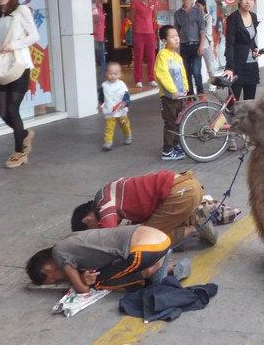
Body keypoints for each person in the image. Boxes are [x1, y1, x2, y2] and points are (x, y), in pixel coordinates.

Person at [70, 169, 216, 246]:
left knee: (146, 239)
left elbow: (107, 237)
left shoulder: (104, 204)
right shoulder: (108, 191)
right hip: (189, 184)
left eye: (91, 231)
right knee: (143, 228)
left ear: (87, 220)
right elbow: (142, 204)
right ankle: (194, 217)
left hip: (180, 194)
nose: (96, 231)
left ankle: (193, 226)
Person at [0, 0, 40, 169]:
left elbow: (34, 35)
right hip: (2, 67)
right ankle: (24, 134)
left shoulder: (21, 10)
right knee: (2, 112)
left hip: (20, 65)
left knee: (12, 109)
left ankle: (19, 152)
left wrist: (13, 45)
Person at [26, 225, 172, 292]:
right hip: (159, 239)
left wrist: (85, 282)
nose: (60, 280)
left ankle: (149, 272)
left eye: (54, 279)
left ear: (48, 268)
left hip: (143, 250)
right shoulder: (69, 241)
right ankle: (164, 266)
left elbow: (82, 289)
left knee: (98, 283)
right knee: (107, 273)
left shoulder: (59, 253)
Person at [155, 25, 188, 161]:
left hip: (180, 97)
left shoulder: (177, 56)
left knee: (178, 122)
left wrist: (185, 88)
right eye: (172, 36)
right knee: (170, 123)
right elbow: (161, 74)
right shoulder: (162, 55)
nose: (176, 39)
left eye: (177, 36)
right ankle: (167, 151)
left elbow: (183, 74)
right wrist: (173, 90)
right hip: (168, 98)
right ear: (164, 40)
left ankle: (175, 145)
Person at [223, 0, 260, 101]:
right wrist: (229, 67)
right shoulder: (233, 18)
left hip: (251, 66)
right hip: (237, 66)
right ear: (240, 0)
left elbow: (251, 39)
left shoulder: (253, 17)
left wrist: (255, 49)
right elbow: (230, 44)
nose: (248, 2)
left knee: (250, 103)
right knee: (233, 103)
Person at [173, 0, 205, 96]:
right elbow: (176, 32)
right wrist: (175, 49)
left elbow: (202, 30)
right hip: (184, 46)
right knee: (186, 72)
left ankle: (201, 93)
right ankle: (190, 94)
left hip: (196, 45)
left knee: (196, 72)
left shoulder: (198, 11)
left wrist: (201, 46)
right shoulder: (178, 14)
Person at [99, 62, 132, 150]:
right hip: (109, 110)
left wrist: (125, 103)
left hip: (121, 110)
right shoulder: (104, 85)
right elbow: (102, 96)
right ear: (107, 73)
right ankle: (108, 142)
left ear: (120, 74)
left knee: (124, 124)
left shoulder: (121, 85)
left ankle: (128, 135)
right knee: (109, 127)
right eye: (110, 74)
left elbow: (126, 95)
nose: (113, 76)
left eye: (115, 74)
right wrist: (100, 104)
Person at [131, 0, 157, 89]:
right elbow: (132, 17)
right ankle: (138, 79)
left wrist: (154, 31)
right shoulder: (135, 3)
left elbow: (154, 17)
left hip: (150, 33)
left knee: (151, 57)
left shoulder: (153, 2)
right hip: (139, 33)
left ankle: (151, 78)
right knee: (138, 57)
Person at [195, 0, 219, 90]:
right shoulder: (195, 17)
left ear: (204, 6)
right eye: (195, 6)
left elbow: (207, 31)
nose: (197, 8)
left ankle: (213, 84)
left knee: (210, 66)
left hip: (207, 44)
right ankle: (196, 85)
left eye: (199, 6)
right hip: (197, 44)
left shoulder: (208, 17)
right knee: (196, 68)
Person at [91, 0, 108, 86]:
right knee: (102, 63)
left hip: (100, 38)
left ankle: (99, 83)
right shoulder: (95, 8)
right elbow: (96, 19)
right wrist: (99, 2)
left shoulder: (100, 9)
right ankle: (99, 84)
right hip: (95, 38)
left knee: (101, 63)